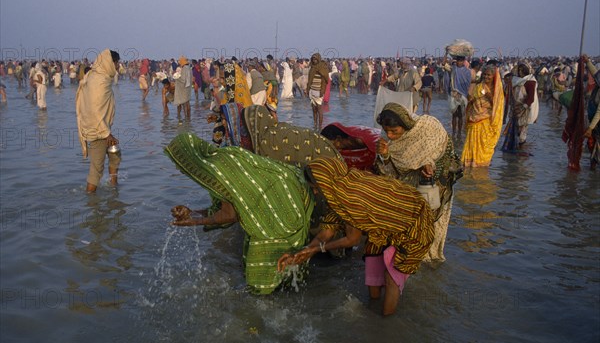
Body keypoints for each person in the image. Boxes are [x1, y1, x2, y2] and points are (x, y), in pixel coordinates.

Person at [277, 157, 434, 316]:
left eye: (316, 188)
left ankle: (385, 326)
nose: (316, 192)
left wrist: (318, 249)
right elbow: (328, 232)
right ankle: (372, 314)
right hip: (382, 227)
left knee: (391, 277)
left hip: (415, 222)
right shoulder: (338, 191)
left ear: (324, 182)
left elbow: (352, 239)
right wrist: (302, 252)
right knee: (373, 269)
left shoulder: (351, 197)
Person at [165, 133, 314, 295]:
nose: (180, 169)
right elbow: (227, 207)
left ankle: (269, 301)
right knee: (282, 266)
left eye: (180, 164)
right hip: (291, 191)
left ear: (189, 159)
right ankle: (290, 292)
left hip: (280, 207)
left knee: (261, 278)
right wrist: (191, 213)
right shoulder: (220, 158)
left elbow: (230, 215)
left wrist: (192, 222)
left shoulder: (216, 170)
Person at [374, 103, 462, 262]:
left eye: (394, 131)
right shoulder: (390, 144)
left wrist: (431, 164)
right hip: (409, 190)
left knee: (431, 224)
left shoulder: (428, 126)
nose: (391, 136)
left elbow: (445, 147)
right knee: (410, 229)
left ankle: (428, 259)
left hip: (435, 185)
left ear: (405, 124)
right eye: (387, 131)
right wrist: (385, 155)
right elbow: (390, 175)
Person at [75, 49, 121, 193]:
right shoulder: (98, 81)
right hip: (97, 130)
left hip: (103, 127)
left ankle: (114, 187)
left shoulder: (98, 77)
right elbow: (95, 110)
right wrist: (107, 134)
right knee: (97, 168)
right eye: (116, 62)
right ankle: (91, 201)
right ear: (109, 62)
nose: (118, 66)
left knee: (115, 155)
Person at [461, 64, 505, 167]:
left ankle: (481, 165)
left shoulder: (497, 90)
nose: (486, 77)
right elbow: (473, 102)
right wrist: (471, 100)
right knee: (472, 145)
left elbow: (498, 106)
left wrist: (489, 96)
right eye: (484, 74)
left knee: (483, 145)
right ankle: (470, 165)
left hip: (486, 121)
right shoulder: (478, 86)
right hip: (474, 119)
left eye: (489, 75)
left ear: (493, 76)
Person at [444, 56, 471, 138]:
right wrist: (446, 52)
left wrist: (463, 93)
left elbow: (467, 82)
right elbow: (444, 64)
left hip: (463, 94)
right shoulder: (453, 69)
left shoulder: (467, 71)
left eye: (461, 60)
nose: (459, 62)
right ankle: (454, 132)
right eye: (458, 60)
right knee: (454, 114)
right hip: (454, 93)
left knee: (460, 115)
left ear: (463, 61)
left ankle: (459, 133)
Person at [306, 53, 330, 131]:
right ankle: (315, 124)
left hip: (319, 91)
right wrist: (308, 89)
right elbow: (309, 80)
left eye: (315, 59)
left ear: (318, 59)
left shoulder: (322, 68)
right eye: (313, 59)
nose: (314, 60)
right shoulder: (312, 68)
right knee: (313, 108)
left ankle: (320, 126)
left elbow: (325, 80)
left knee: (319, 109)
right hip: (312, 90)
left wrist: (322, 91)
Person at [173, 56, 192, 120]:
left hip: (184, 88)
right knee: (187, 102)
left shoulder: (184, 68)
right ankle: (188, 117)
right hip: (188, 88)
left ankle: (186, 117)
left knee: (184, 102)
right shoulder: (189, 68)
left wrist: (177, 78)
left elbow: (183, 80)